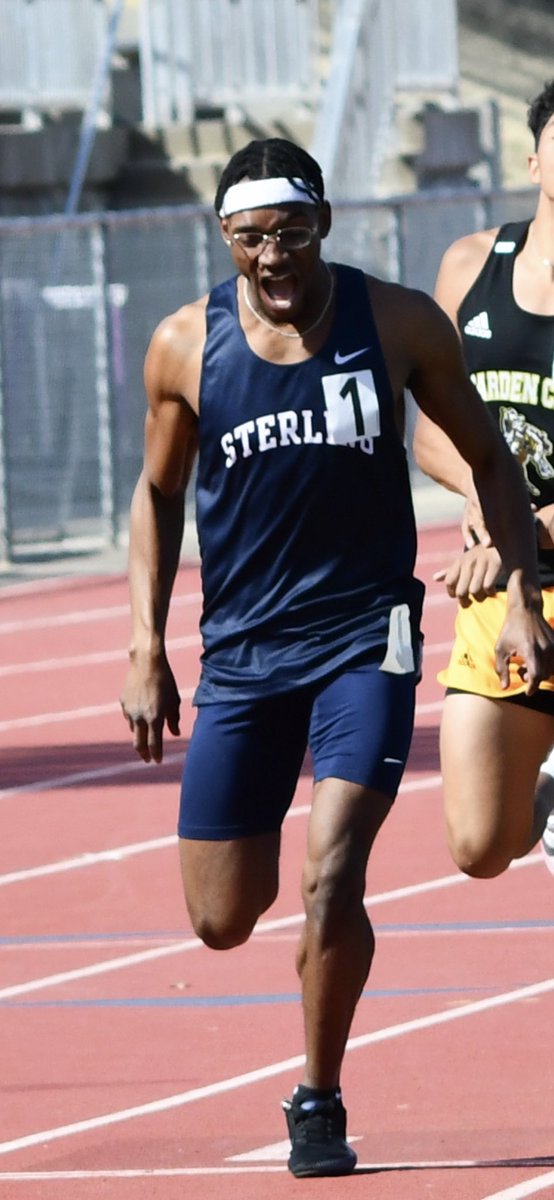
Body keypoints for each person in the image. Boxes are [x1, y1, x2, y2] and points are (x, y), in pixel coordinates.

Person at [120, 137, 554, 1179]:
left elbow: (484, 453)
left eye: (291, 234)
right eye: (249, 238)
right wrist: (144, 642)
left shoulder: (396, 321)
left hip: (366, 637)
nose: (272, 257)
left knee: (330, 876)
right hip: (242, 656)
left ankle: (317, 1097)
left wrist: (523, 594)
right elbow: (157, 494)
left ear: (323, 226)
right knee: (221, 918)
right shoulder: (185, 344)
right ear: (223, 237)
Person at [413, 80, 554, 883]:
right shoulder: (471, 265)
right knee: (479, 846)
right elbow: (429, 436)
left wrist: (514, 530)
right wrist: (482, 498)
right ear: (533, 157)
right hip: (501, 594)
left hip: (514, 555)